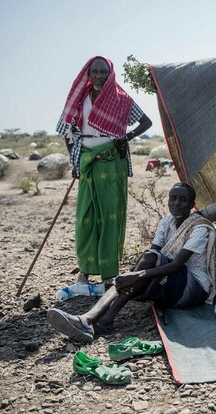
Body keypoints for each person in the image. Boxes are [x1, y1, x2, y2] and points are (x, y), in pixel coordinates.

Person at [47, 183, 216, 343]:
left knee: (140, 271)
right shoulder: (166, 222)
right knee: (142, 265)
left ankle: (94, 319)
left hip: (193, 289)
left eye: (183, 200)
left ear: (192, 205)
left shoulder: (199, 228)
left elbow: (176, 265)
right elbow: (151, 255)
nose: (177, 203)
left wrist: (136, 275)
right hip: (172, 282)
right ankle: (90, 319)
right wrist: (134, 275)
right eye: (173, 198)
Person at [56, 56, 152, 285]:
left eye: (103, 72)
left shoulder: (121, 98)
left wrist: (126, 137)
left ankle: (109, 273)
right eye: (95, 72)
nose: (99, 76)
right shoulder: (80, 99)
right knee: (85, 217)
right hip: (87, 162)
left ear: (110, 74)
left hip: (112, 161)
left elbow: (146, 122)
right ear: (88, 74)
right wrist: (75, 159)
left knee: (110, 216)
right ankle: (85, 271)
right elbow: (67, 130)